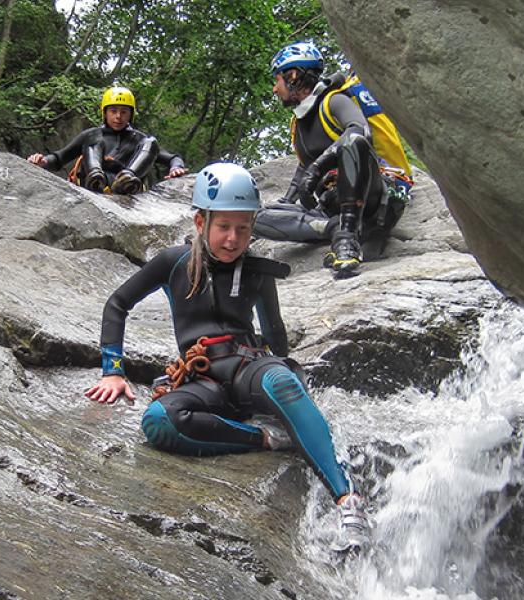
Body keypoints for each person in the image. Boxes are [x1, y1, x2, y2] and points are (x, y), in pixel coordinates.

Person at [84, 162, 369, 551]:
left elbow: (274, 334)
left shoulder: (258, 271)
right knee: (159, 420)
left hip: (249, 368)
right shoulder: (173, 263)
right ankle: (268, 439)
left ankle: (347, 500)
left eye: (243, 228)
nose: (234, 239)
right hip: (204, 381)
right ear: (201, 222)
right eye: (224, 227)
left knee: (281, 381)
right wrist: (112, 372)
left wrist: (290, 392)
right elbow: (118, 304)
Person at [253, 41, 414, 276]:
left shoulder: (334, 101)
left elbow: (359, 131)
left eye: (277, 80)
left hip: (371, 197)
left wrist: (318, 168)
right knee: (250, 217)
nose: (274, 89)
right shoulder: (298, 123)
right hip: (331, 207)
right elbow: (303, 167)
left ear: (292, 75)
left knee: (353, 141)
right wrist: (286, 202)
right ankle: (333, 229)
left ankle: (347, 240)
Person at [27, 86, 188, 194]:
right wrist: (42, 161)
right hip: (93, 183)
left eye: (124, 112)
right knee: (93, 137)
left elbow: (173, 158)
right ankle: (95, 177)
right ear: (105, 113)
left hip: (125, 187)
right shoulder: (92, 135)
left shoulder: (139, 140)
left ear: (130, 115)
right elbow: (59, 158)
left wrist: (176, 168)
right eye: (113, 111)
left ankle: (127, 179)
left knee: (151, 141)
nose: (118, 116)